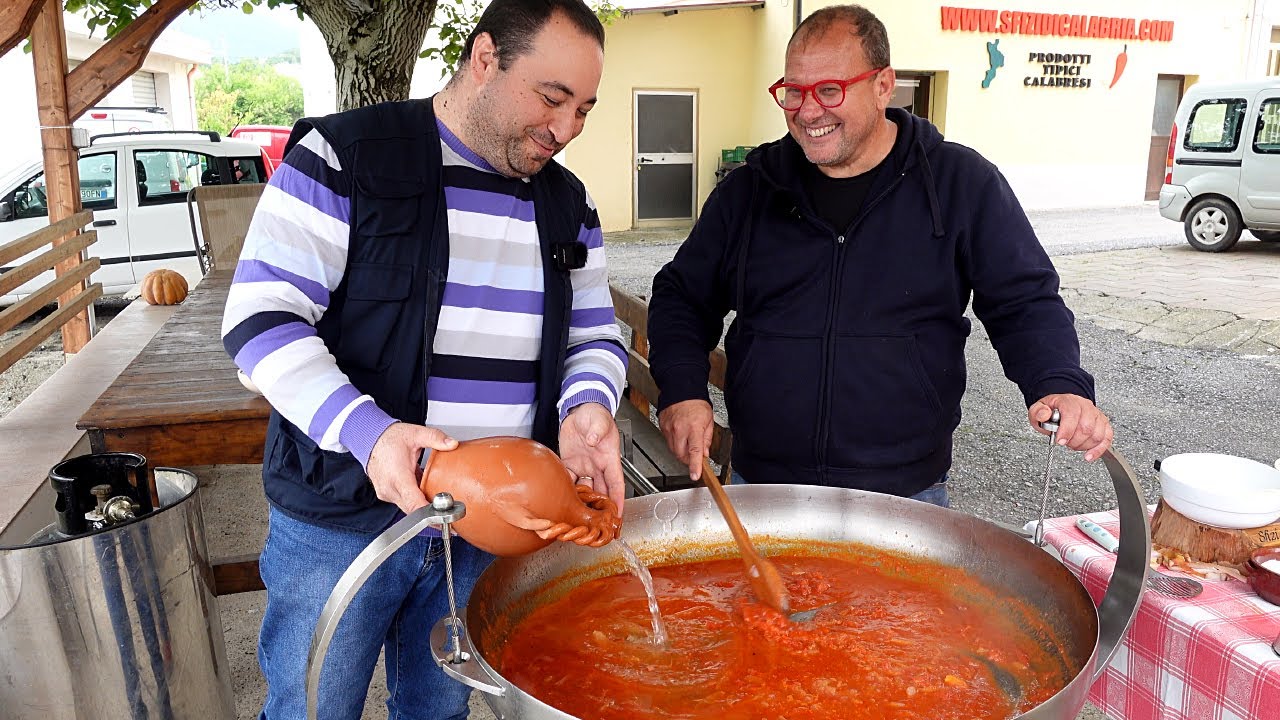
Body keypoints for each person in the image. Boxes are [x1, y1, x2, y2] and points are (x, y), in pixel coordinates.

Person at [219, 0, 627, 717]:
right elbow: (259, 323)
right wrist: (369, 432)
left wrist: (587, 404)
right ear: (485, 58)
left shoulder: (571, 205)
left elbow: (592, 336)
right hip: (342, 515)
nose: (565, 129)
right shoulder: (345, 158)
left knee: (440, 709)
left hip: (490, 526)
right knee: (314, 707)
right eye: (551, 98)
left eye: (584, 110)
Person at [647, 4, 1111, 507]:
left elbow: (1024, 300)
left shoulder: (961, 183)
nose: (808, 111)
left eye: (830, 90)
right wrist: (682, 389)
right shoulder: (750, 191)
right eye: (794, 91)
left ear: (883, 85)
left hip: (908, 494)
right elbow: (681, 296)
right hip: (763, 485)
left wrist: (1058, 380)